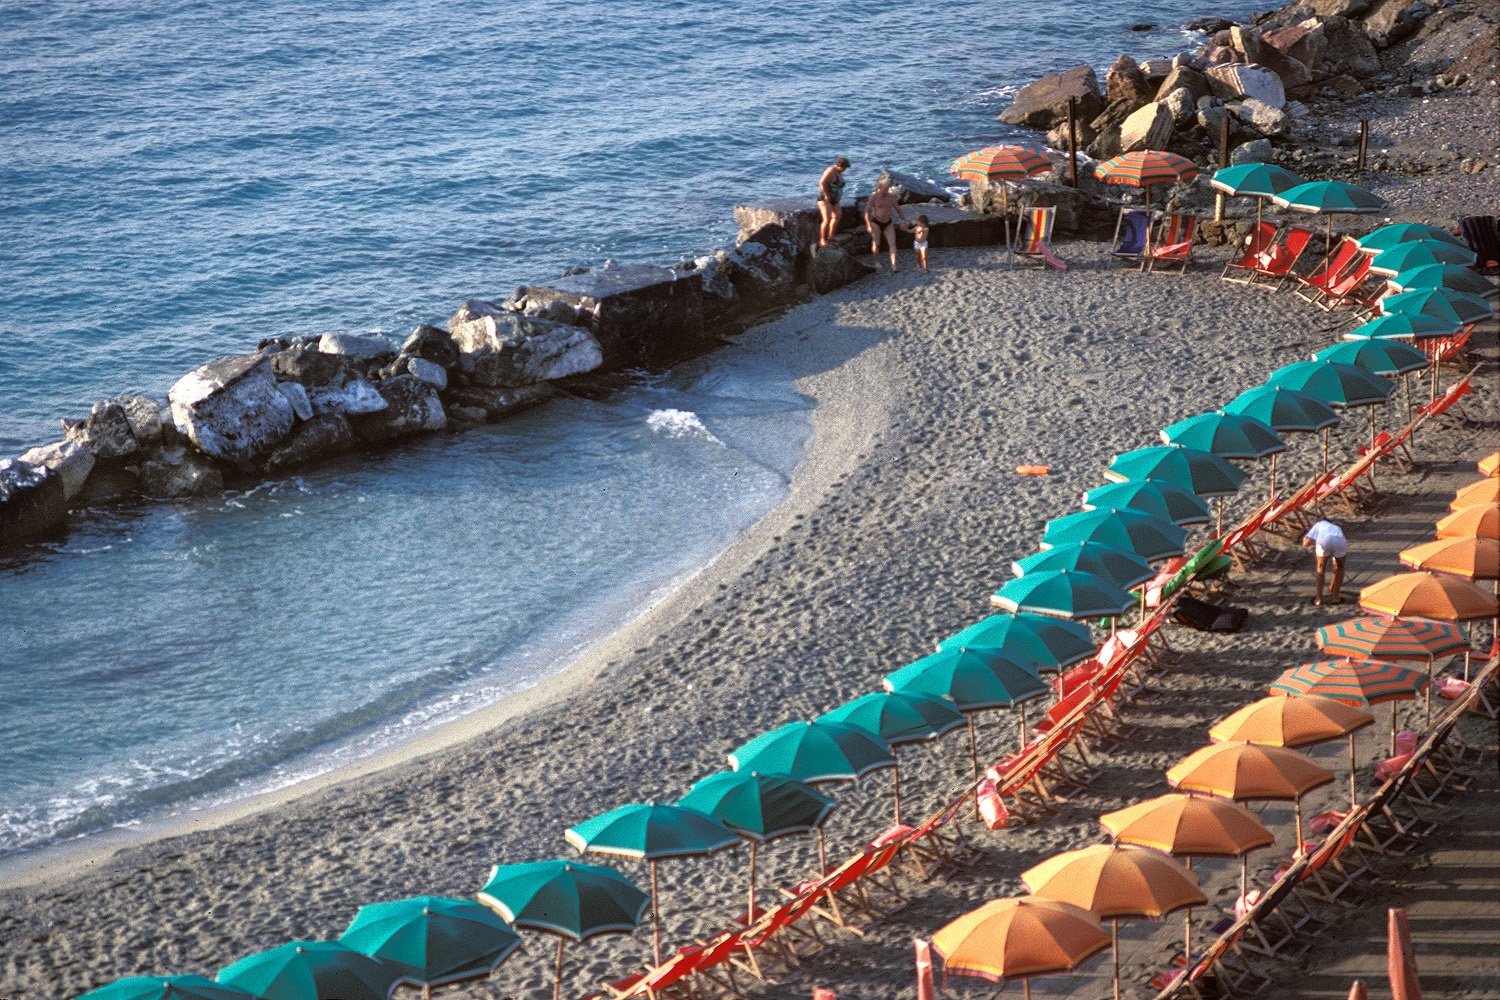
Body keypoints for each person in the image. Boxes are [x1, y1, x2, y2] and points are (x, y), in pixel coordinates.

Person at [864, 176, 910, 271]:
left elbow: (898, 210)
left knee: (892, 243)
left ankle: (893, 265)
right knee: (876, 243)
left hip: (888, 222)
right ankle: (877, 261)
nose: (887, 190)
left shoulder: (891, 197)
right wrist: (868, 224)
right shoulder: (874, 197)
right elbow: (866, 212)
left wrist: (903, 221)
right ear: (880, 188)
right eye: (885, 189)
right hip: (876, 221)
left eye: (888, 188)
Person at [1301, 518, 1347, 606]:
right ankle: (1335, 597)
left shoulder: (1318, 524)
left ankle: (1318, 599)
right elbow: (1335, 565)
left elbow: (1306, 543)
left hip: (1324, 540)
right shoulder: (1336, 527)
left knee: (1321, 568)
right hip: (1339, 540)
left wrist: (1305, 540)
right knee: (1340, 567)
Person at [818, 157, 850, 248]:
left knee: (837, 217)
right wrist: (826, 195)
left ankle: (830, 236)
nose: (844, 170)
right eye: (843, 168)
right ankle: (822, 239)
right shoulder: (830, 171)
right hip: (825, 199)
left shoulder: (838, 172)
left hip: (835, 199)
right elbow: (822, 183)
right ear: (839, 165)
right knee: (826, 219)